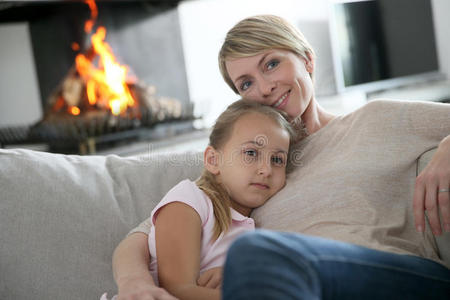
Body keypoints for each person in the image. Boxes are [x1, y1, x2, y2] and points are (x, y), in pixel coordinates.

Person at [113, 14, 450, 299]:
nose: (263, 88)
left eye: (271, 64)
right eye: (245, 84)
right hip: (293, 282)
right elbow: (141, 237)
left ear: (307, 59)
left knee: (255, 254)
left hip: (397, 275)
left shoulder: (376, 120)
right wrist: (136, 285)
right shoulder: (252, 169)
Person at [109, 99, 300, 300]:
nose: (266, 170)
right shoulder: (190, 201)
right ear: (213, 160)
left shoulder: (250, 221)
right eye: (251, 153)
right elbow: (177, 291)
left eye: (277, 160)